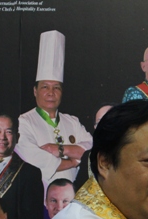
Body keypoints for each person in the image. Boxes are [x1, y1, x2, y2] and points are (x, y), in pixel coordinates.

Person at [18, 31, 92, 184]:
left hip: (74, 193)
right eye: (45, 87)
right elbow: (35, 159)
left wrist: (59, 149)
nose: (51, 93)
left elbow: (91, 150)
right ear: (35, 91)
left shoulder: (72, 121)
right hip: (41, 194)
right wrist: (74, 161)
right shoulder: (24, 121)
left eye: (56, 87)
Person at [73, 102, 116, 191]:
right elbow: (79, 189)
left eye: (109, 119)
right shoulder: (89, 157)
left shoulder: (134, 153)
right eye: (100, 122)